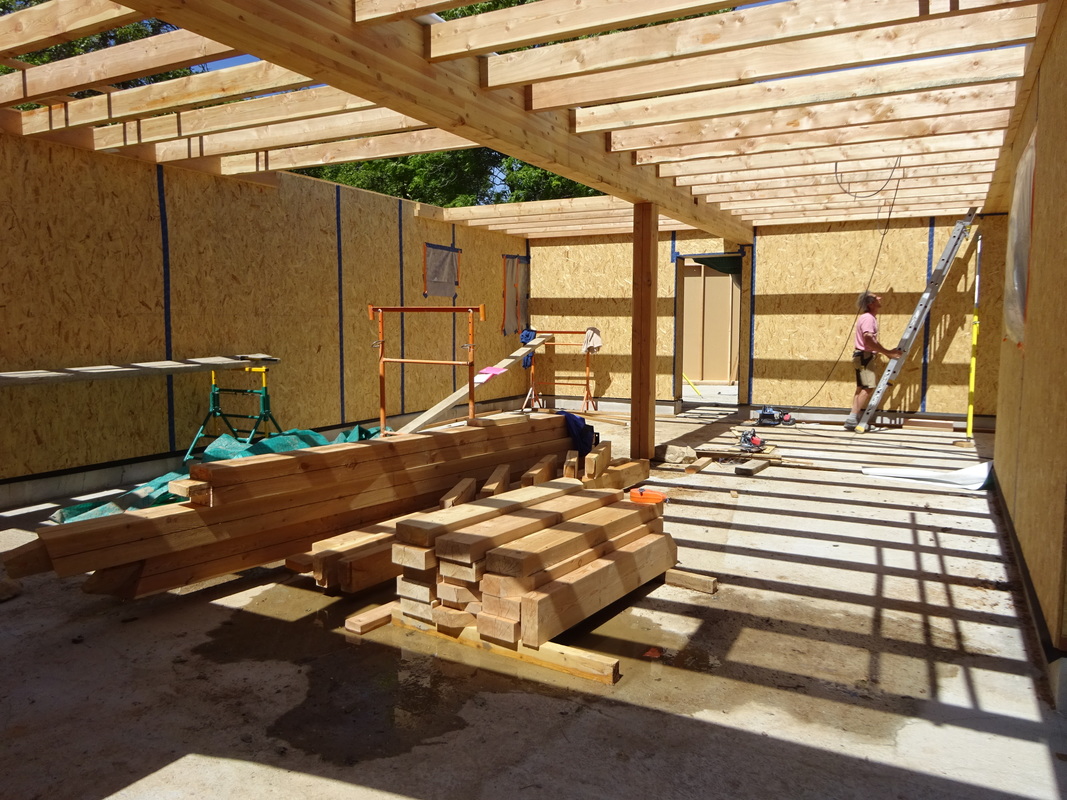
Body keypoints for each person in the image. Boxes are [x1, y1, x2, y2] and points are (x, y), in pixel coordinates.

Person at [844, 291, 903, 430]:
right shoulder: (869, 318)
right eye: (876, 298)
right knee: (868, 387)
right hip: (865, 357)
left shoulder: (866, 317)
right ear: (871, 303)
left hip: (861, 356)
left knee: (861, 388)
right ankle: (852, 419)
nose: (880, 298)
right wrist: (888, 353)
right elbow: (868, 339)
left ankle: (852, 418)